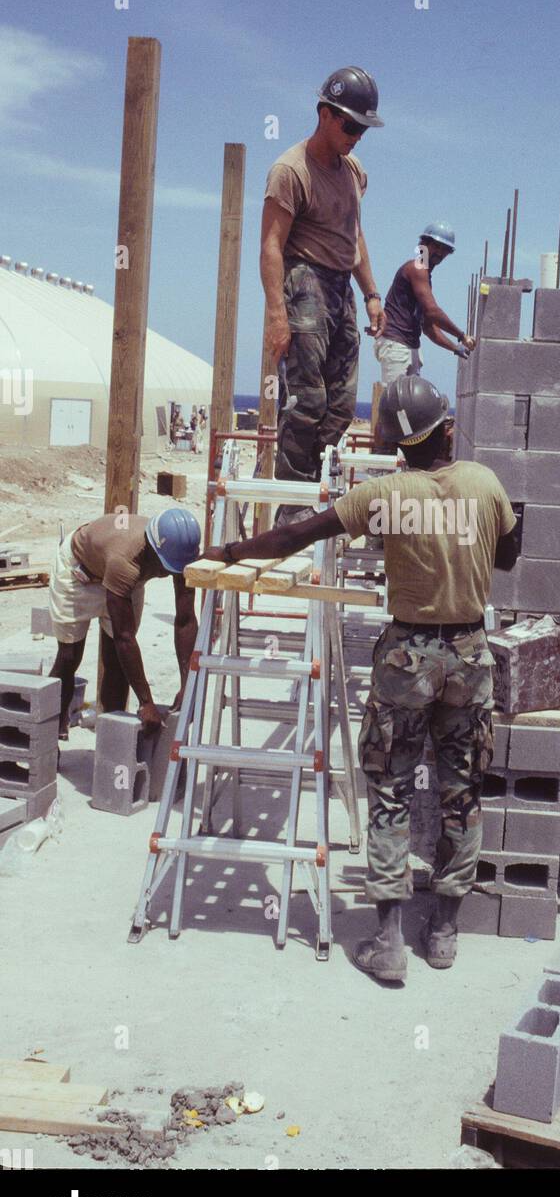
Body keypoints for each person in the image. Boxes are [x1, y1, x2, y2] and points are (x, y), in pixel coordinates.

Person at [203, 376, 520, 982]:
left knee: (392, 791)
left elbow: (297, 533)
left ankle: (389, 940)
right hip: (470, 654)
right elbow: (508, 556)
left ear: (399, 447)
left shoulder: (383, 493)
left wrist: (232, 552)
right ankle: (446, 930)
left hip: (406, 658)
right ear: (447, 431)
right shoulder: (485, 483)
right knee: (462, 791)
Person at [261, 66, 386, 522]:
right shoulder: (290, 171)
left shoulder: (354, 172)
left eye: (363, 129)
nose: (356, 136)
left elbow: (354, 235)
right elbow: (271, 245)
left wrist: (371, 292)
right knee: (307, 401)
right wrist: (277, 314)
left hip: (341, 287)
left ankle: (316, 496)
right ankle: (291, 509)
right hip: (304, 280)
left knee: (340, 408)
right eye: (351, 126)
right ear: (325, 114)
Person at [48, 508, 201, 739]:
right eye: (166, 567)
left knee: (116, 665)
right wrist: (146, 702)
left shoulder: (179, 553)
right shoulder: (126, 559)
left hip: (125, 578)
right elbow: (125, 637)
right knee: (69, 657)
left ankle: (112, 742)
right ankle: (51, 733)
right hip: (79, 573)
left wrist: (187, 683)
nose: (170, 573)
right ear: (153, 549)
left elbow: (186, 619)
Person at [372, 223, 474, 389]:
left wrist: (455, 348)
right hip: (396, 345)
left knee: (410, 407)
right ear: (424, 245)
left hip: (410, 347)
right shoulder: (417, 268)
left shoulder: (425, 277)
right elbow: (432, 311)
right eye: (436, 246)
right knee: (395, 405)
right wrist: (462, 336)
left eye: (445, 249)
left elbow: (428, 327)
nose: (440, 253)